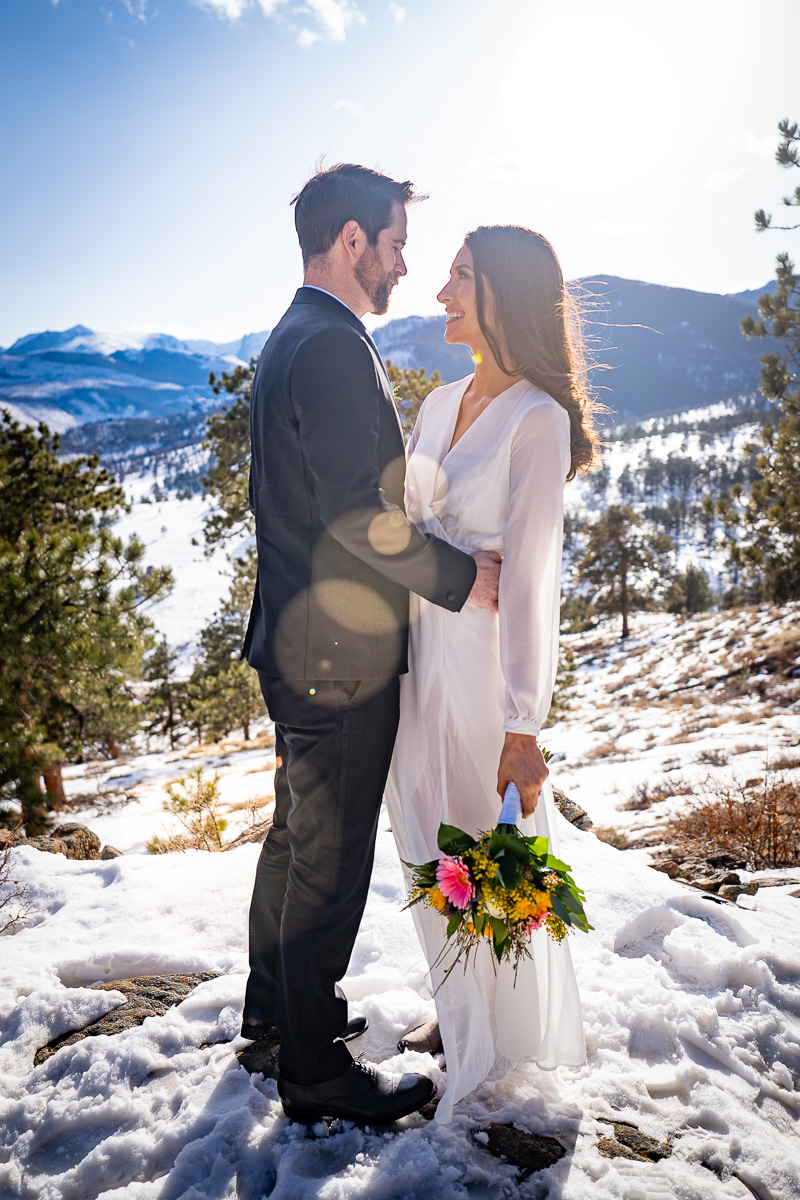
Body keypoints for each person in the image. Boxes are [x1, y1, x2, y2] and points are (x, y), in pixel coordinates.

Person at [239, 164, 501, 1126]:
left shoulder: (294, 335)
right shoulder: (334, 348)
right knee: (331, 857)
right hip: (338, 657)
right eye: (394, 243)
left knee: (297, 840)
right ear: (351, 241)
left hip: (298, 643)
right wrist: (465, 579)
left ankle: (274, 1020)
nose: (404, 263)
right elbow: (362, 520)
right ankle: (312, 1065)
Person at [386, 225, 599, 1124]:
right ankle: (455, 1008)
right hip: (413, 666)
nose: (441, 291)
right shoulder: (438, 406)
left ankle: (498, 1036)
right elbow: (402, 532)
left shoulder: (539, 422)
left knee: (486, 844)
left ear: (504, 296)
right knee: (425, 841)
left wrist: (524, 721)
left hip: (482, 676)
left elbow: (534, 580)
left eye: (462, 277)